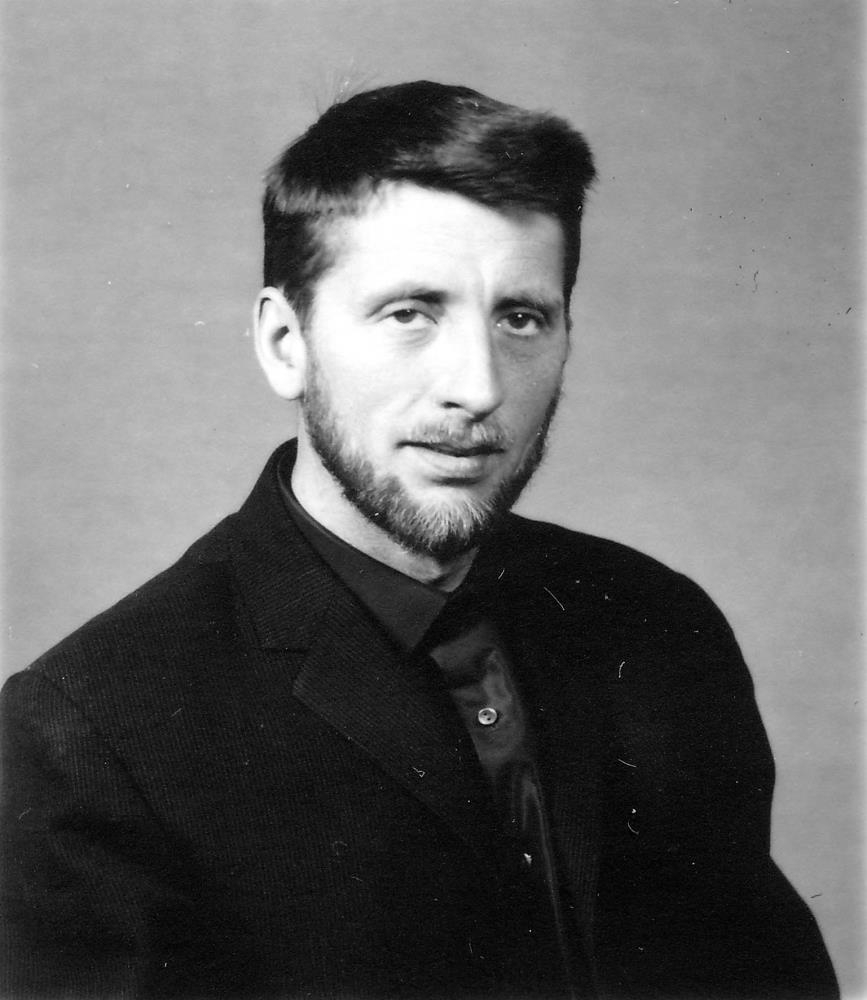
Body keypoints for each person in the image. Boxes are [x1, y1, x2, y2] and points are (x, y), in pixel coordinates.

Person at [0, 81, 838, 1000]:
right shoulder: (87, 733)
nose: (477, 387)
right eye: (409, 313)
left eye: (520, 317)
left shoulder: (657, 622)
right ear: (284, 343)